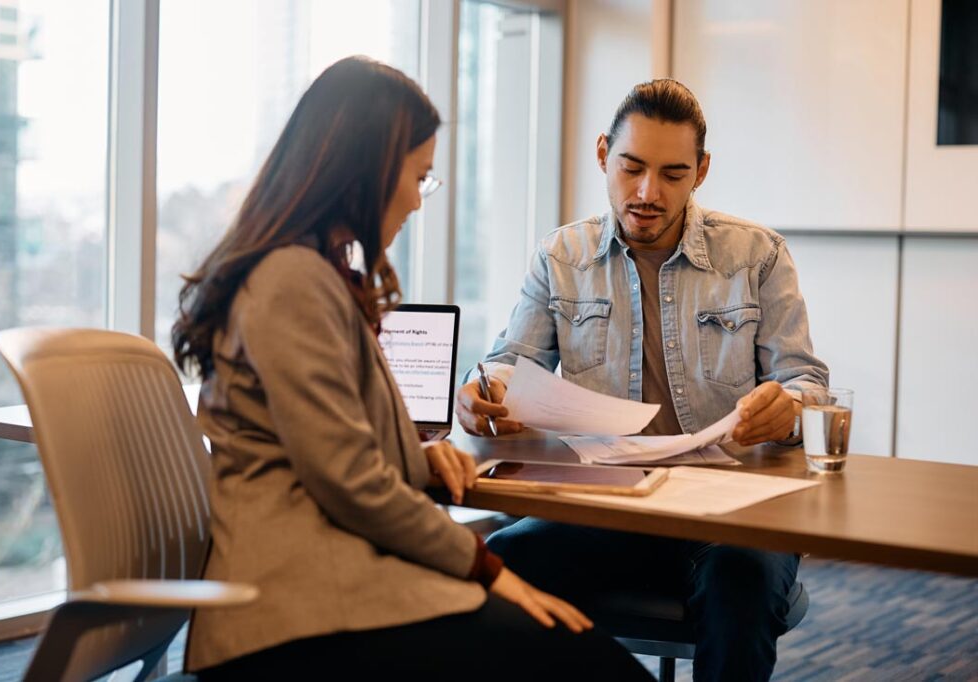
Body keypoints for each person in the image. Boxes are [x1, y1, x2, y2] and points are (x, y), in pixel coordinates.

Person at [171, 56, 649, 679]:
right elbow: (348, 481)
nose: (420, 201)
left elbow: (324, 447)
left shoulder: (312, 274)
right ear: (366, 172)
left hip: (338, 582)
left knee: (578, 651)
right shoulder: (292, 280)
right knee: (587, 662)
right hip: (302, 606)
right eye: (419, 176)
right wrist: (485, 569)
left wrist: (416, 457)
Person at [456, 79, 828, 681]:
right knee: (498, 562)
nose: (648, 193)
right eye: (631, 168)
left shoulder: (757, 255)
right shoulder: (561, 256)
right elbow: (507, 364)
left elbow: (806, 381)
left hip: (729, 511)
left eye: (673, 174)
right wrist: (485, 396)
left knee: (742, 580)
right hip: (607, 506)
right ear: (603, 155)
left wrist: (787, 407)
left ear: (701, 171)